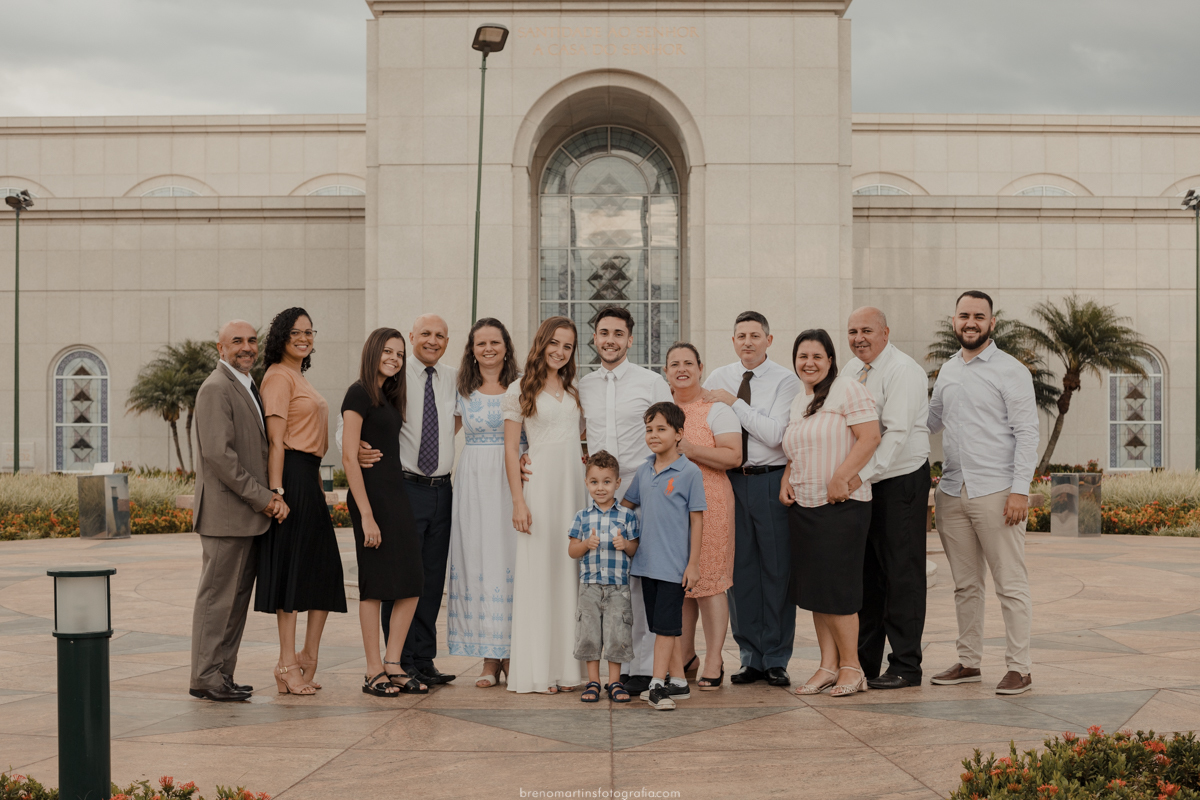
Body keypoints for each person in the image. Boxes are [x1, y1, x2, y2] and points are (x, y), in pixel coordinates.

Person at [928, 291, 1038, 696]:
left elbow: (1027, 433)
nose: (970, 322)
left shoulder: (1010, 370)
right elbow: (931, 422)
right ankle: (969, 661)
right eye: (963, 315)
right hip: (952, 491)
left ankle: (1020, 668)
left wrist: (1020, 491)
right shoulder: (949, 370)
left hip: (997, 491)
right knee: (965, 585)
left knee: (1010, 582)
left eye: (979, 316)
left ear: (992, 323)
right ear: (953, 321)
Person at [340, 314, 460, 687]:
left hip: (436, 489)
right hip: (397, 489)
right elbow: (348, 434)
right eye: (425, 333)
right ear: (413, 336)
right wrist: (355, 451)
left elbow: (461, 417)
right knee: (384, 583)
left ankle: (416, 659)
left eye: (440, 335)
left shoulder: (448, 378)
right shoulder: (381, 384)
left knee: (421, 579)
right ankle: (390, 663)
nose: (432, 340)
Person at [564, 305, 671, 696]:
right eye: (604, 333)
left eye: (618, 333)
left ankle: (638, 667)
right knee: (601, 580)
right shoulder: (583, 386)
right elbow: (566, 433)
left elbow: (670, 433)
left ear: (630, 338)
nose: (610, 340)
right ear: (595, 338)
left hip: (641, 487)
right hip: (598, 492)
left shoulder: (650, 382)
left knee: (639, 578)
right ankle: (603, 668)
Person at [189, 320, 289, 702]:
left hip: (245, 519)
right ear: (220, 348)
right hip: (226, 515)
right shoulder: (215, 388)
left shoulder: (247, 385)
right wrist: (263, 497)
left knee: (234, 602)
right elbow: (220, 456)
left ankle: (222, 674)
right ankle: (204, 676)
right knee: (216, 600)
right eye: (237, 341)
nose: (246, 347)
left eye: (251, 340)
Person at [780, 329, 881, 697]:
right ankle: (827, 665)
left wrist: (842, 476)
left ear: (830, 360)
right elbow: (797, 449)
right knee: (816, 591)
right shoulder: (798, 399)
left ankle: (852, 668)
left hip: (841, 506)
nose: (809, 363)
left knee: (838, 592)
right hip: (804, 506)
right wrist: (786, 480)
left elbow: (870, 437)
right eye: (802, 356)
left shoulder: (848, 389)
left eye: (817, 356)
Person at [703, 311, 802, 686]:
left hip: (770, 480)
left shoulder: (785, 381)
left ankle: (776, 656)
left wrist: (734, 404)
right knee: (739, 571)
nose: (748, 341)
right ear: (732, 341)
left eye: (755, 335)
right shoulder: (717, 377)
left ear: (769, 340)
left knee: (776, 570)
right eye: (741, 335)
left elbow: (775, 434)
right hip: (730, 481)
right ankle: (750, 657)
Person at [254, 307, 346, 695]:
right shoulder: (277, 376)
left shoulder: (298, 376)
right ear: (281, 336)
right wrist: (276, 493)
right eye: (296, 332)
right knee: (293, 572)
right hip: (290, 476)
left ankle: (309, 655)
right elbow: (275, 441)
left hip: (308, 476)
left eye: (309, 331)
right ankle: (286, 663)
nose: (304, 337)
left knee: (323, 569)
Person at [841, 307, 932, 690]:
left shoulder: (903, 370)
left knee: (902, 575)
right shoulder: (849, 371)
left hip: (900, 481)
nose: (859, 337)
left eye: (867, 330)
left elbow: (894, 435)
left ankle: (906, 666)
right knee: (868, 576)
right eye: (852, 331)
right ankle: (863, 663)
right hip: (864, 484)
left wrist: (857, 475)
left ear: (885, 332)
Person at [504, 315, 588, 694]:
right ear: (542, 343)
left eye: (567, 346)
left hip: (572, 490)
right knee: (540, 575)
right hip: (538, 491)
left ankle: (570, 670)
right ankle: (539, 671)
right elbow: (510, 450)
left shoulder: (574, 390)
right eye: (554, 342)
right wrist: (518, 501)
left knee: (568, 574)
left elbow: (577, 441)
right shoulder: (520, 388)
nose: (559, 351)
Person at [341, 328, 427, 696]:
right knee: (374, 586)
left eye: (400, 354)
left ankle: (394, 662)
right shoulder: (358, 392)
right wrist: (366, 515)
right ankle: (373, 669)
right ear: (373, 352)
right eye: (388, 351)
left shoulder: (390, 396)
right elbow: (348, 455)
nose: (394, 358)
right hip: (371, 498)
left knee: (412, 581)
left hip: (396, 494)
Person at [448, 318, 521, 687]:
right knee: (479, 561)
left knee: (510, 562)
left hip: (512, 483)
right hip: (474, 482)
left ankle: (513, 653)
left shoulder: (522, 386)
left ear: (506, 347)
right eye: (481, 343)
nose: (488, 348)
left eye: (495, 342)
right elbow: (441, 433)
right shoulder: (461, 389)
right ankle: (489, 660)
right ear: (472, 350)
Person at [664, 342, 741, 690]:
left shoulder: (715, 409)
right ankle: (686, 655)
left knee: (710, 583)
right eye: (674, 364)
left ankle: (714, 657)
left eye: (688, 363)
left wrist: (692, 450)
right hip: (671, 509)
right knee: (681, 585)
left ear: (700, 367)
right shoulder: (663, 411)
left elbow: (734, 456)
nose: (681, 369)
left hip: (711, 503)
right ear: (666, 372)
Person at [620, 402, 706, 711]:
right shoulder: (644, 470)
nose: (653, 435)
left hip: (673, 567)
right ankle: (679, 683)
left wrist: (693, 564)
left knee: (666, 629)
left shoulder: (690, 472)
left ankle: (657, 684)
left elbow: (697, 520)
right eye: (648, 430)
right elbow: (627, 506)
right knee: (661, 626)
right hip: (646, 565)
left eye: (661, 429)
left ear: (679, 433)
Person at [567, 450, 640, 704]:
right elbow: (572, 551)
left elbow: (634, 548)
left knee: (616, 633)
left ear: (617, 483)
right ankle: (593, 681)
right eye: (595, 482)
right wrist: (586, 543)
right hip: (589, 586)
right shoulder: (582, 517)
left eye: (607, 481)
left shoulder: (627, 516)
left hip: (618, 587)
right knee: (589, 633)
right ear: (587, 482)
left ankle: (615, 682)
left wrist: (625, 545)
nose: (601, 488)